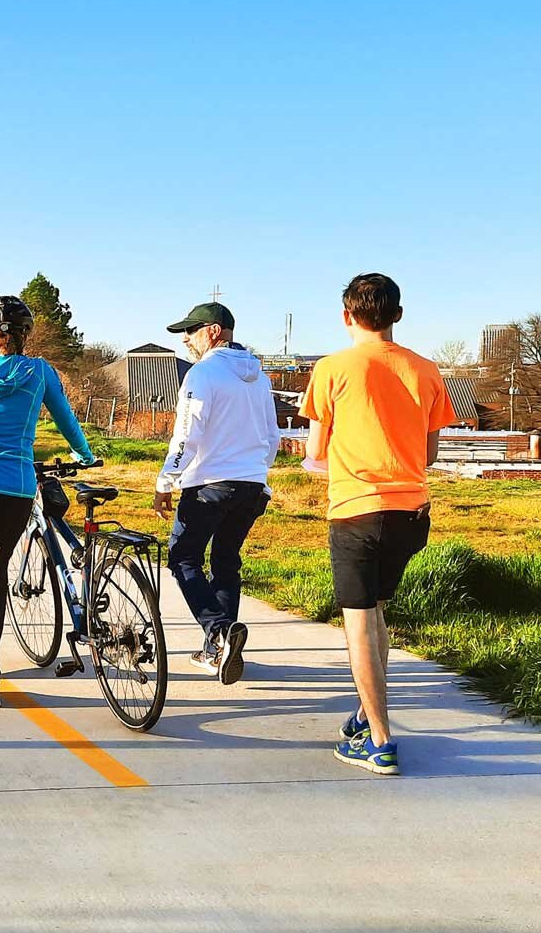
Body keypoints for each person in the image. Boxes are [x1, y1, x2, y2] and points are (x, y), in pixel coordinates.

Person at [300, 273, 455, 776]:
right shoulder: (427, 370)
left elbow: (316, 452)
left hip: (356, 510)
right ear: (398, 315)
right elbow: (429, 452)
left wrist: (336, 462)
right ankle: (367, 711)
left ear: (347, 315)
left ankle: (381, 741)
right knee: (378, 610)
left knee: (359, 621)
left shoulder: (332, 369)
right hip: (411, 513)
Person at [0, 296, 95, 708]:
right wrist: (84, 454)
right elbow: (65, 418)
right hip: (18, 489)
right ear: (24, 336)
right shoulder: (40, 372)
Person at [151, 302, 281, 684]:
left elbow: (187, 433)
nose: (185, 340)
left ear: (212, 330)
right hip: (252, 484)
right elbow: (272, 435)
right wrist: (259, 472)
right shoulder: (259, 376)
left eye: (189, 332)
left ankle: (219, 631)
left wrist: (165, 481)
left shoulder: (202, 374)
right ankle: (217, 649)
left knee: (183, 557)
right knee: (226, 559)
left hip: (209, 485)